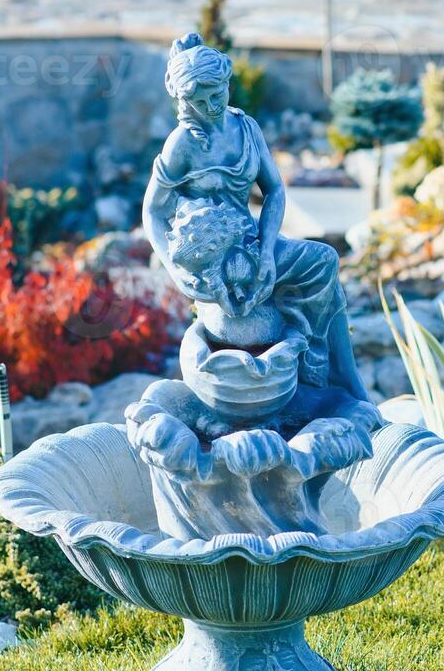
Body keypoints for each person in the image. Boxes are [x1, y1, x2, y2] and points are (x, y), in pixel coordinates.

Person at [143, 33, 369, 400]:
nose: (211, 106)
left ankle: (339, 378)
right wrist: (176, 271)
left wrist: (266, 252)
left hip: (251, 242)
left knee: (324, 261)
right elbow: (153, 210)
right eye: (199, 102)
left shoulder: (246, 127)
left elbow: (275, 191)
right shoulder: (183, 144)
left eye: (216, 94)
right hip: (213, 256)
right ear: (186, 102)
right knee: (245, 294)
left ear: (226, 84)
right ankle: (306, 371)